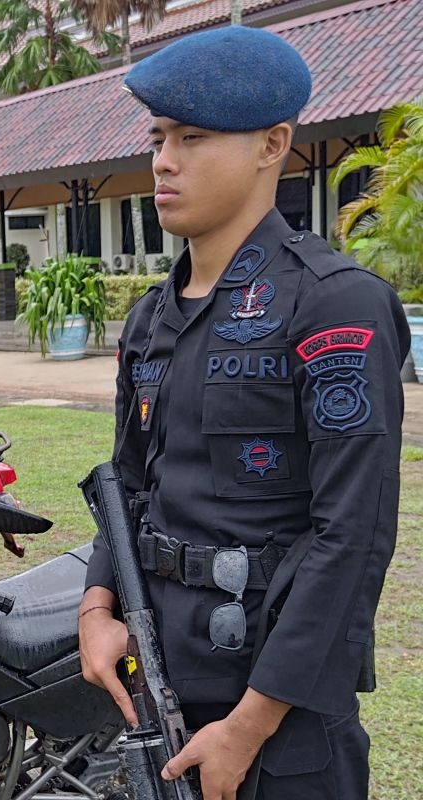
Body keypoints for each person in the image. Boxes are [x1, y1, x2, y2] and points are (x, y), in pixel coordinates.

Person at [77, 27, 407, 800]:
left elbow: (352, 536)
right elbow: (127, 481)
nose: (163, 159)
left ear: (272, 145)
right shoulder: (151, 317)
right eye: (159, 137)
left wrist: (249, 725)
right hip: (157, 696)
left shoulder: (334, 305)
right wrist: (97, 606)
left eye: (193, 137)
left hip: (276, 721)